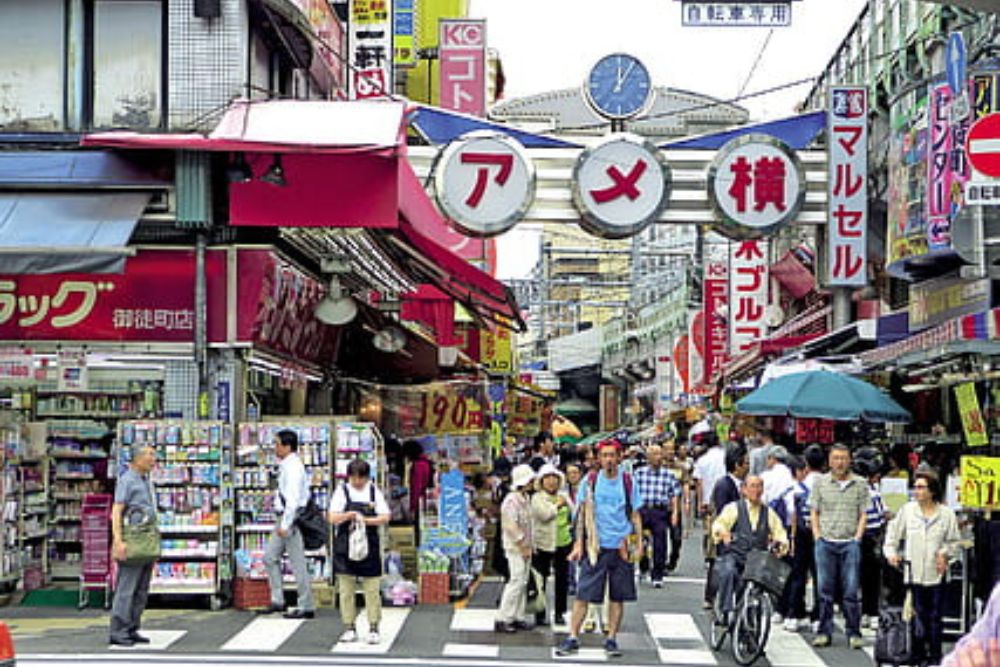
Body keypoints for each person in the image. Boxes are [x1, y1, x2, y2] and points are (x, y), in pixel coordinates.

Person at [556, 439, 644, 658]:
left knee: (617, 596)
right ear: (598, 458)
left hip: (621, 545)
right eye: (604, 455)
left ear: (620, 457)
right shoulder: (591, 481)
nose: (609, 460)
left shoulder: (628, 481)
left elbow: (635, 514)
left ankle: (611, 637)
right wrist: (578, 543)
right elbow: (580, 515)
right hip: (595, 545)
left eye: (612, 455)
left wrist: (639, 542)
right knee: (583, 594)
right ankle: (573, 637)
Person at [884, 471, 962, 666]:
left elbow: (955, 542)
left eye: (921, 487)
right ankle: (916, 655)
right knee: (916, 616)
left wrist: (945, 553)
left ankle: (935, 657)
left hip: (937, 573)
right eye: (915, 487)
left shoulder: (946, 514)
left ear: (932, 491)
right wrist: (892, 554)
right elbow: (892, 536)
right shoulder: (908, 511)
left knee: (935, 617)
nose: (916, 491)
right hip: (913, 573)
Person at [810, 443, 869, 649]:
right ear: (829, 460)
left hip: (849, 543)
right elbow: (814, 511)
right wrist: (817, 536)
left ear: (850, 460)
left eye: (843, 458)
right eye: (835, 458)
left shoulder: (860, 484)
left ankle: (854, 631)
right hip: (826, 542)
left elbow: (864, 513)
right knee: (824, 590)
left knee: (851, 591)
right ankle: (824, 631)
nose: (840, 462)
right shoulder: (820, 483)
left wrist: (857, 538)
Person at [710, 475, 789, 626]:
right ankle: (726, 610)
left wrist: (781, 544)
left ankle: (753, 625)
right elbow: (719, 524)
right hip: (735, 553)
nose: (756, 490)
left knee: (762, 584)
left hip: (757, 559)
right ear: (744, 490)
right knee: (729, 572)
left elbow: (780, 532)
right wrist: (723, 533)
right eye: (752, 486)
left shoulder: (768, 513)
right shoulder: (733, 508)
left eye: (759, 486)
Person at [327, 459, 391, 642]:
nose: (357, 482)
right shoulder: (342, 491)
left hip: (369, 543)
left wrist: (365, 521)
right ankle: (349, 626)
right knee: (346, 588)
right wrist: (349, 516)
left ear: (366, 477)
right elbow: (331, 517)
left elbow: (385, 516)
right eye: (354, 478)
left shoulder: (373, 491)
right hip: (345, 544)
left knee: (372, 588)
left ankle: (373, 626)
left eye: (360, 478)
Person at [261, 429, 315, 619]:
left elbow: (292, 500)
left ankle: (305, 604)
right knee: (269, 558)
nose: (275, 448)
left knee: (297, 561)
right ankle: (278, 599)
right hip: (284, 517)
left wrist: (285, 524)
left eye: (277, 444)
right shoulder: (287, 465)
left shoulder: (293, 468)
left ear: (287, 446)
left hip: (289, 519)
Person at [109, 444, 158, 646]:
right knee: (127, 587)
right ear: (137, 458)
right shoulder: (127, 480)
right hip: (133, 540)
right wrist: (118, 540)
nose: (153, 459)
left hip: (146, 539)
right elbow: (117, 511)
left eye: (153, 455)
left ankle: (132, 627)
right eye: (149, 455)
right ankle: (118, 630)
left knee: (141, 589)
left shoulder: (146, 480)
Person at [784, 444, 824, 632]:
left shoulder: (799, 488)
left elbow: (792, 514)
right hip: (822, 534)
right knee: (820, 576)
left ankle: (795, 614)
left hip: (801, 533)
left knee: (798, 573)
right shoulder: (827, 485)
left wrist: (791, 538)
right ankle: (818, 616)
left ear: (806, 464)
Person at [634, 444, 681, 588]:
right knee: (639, 538)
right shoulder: (639, 473)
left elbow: (674, 496)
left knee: (660, 542)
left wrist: (674, 513)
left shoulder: (668, 475)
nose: (657, 457)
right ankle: (643, 565)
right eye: (654, 454)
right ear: (647, 457)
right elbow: (633, 493)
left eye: (659, 454)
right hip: (642, 509)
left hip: (660, 511)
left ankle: (657, 574)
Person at [495, 464, 536, 633]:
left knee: (522, 582)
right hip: (515, 547)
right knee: (516, 581)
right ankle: (503, 617)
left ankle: (517, 616)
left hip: (524, 546)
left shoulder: (524, 497)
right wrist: (522, 544)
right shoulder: (512, 500)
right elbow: (510, 526)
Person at [532, 464, 572, 626]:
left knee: (562, 581)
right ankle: (539, 613)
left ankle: (560, 613)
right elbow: (544, 515)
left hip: (563, 542)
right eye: (547, 478)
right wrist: (557, 505)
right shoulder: (537, 498)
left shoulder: (564, 495)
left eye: (554, 479)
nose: (551, 482)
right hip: (543, 543)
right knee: (540, 580)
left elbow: (574, 512)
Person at [761, 445, 797, 623]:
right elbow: (792, 510)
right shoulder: (792, 479)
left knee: (771, 568)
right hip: (789, 529)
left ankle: (775, 607)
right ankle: (788, 608)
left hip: (770, 527)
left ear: (773, 459)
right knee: (789, 569)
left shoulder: (766, 477)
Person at [693, 433, 726, 609]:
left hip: (710, 505)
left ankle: (708, 556)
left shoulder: (703, 460)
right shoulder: (727, 457)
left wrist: (701, 502)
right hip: (728, 505)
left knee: (712, 545)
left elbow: (698, 483)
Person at [856, 450, 887, 631]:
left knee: (859, 578)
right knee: (872, 578)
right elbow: (881, 515)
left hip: (856, 537)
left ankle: (864, 614)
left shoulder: (854, 489)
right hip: (871, 537)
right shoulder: (872, 493)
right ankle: (872, 613)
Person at [663, 440, 691, 567]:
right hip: (661, 507)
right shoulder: (658, 466)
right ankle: (660, 562)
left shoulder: (680, 467)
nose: (669, 452)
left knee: (676, 537)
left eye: (671, 449)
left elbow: (685, 484)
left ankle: (673, 559)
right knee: (660, 537)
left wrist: (687, 501)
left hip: (675, 508)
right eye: (667, 449)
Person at [404, 440, 434, 524]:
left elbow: (416, 487)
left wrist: (413, 507)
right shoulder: (426, 463)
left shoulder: (417, 465)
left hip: (420, 503)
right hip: (427, 500)